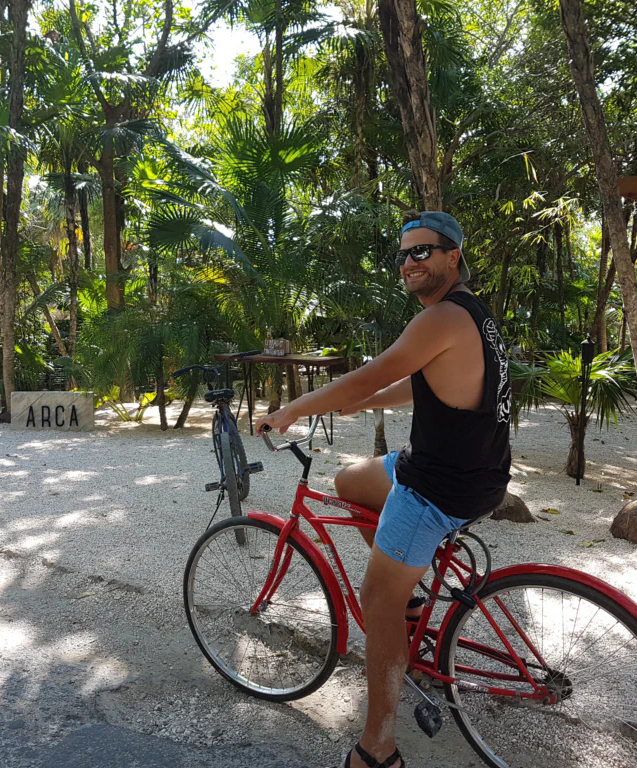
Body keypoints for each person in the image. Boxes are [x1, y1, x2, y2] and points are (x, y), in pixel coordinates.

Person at [254, 210, 512, 768]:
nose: (410, 262)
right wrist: (360, 403)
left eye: (424, 251)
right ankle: (414, 603)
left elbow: (375, 372)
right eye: (403, 254)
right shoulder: (472, 315)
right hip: (461, 467)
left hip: (439, 488)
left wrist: (291, 411)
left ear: (454, 256)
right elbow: (424, 384)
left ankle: (378, 748)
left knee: (376, 602)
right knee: (350, 479)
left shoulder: (440, 317)